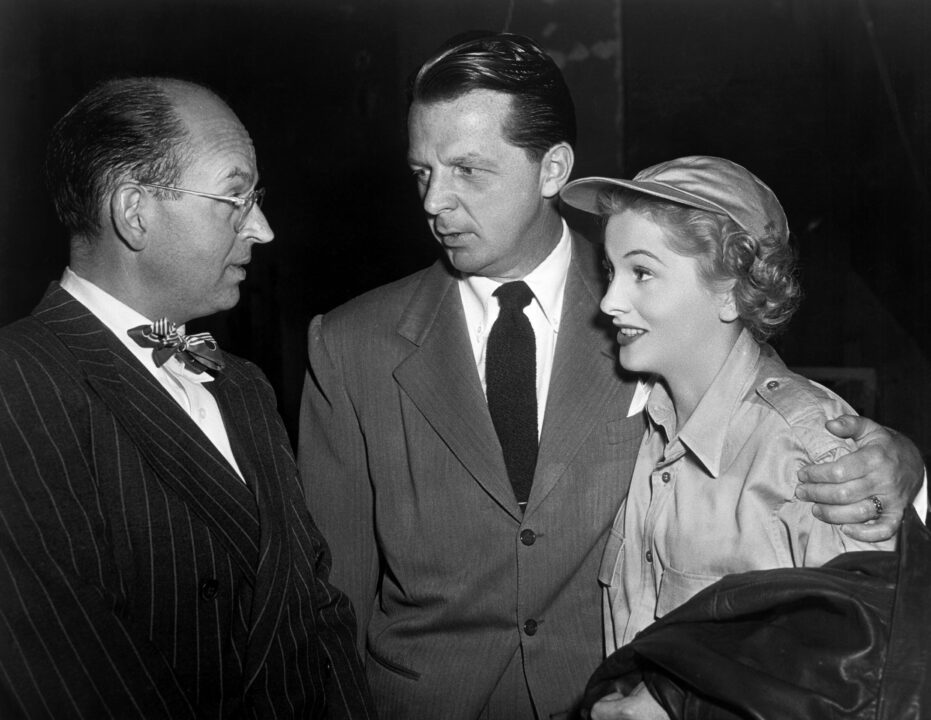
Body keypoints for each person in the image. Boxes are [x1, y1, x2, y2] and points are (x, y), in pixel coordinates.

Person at [298, 32, 922, 719]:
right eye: (422, 172)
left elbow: (764, 404)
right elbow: (332, 603)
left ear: (551, 168)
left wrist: (898, 463)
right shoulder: (350, 345)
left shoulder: (647, 307)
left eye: (468, 170)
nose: (434, 201)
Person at [0, 77, 374, 719]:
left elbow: (315, 612)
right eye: (235, 196)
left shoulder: (244, 385)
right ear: (134, 211)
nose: (263, 228)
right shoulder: (20, 379)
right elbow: (76, 664)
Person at [559, 156, 900, 720]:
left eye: (642, 272)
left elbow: (876, 685)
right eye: (611, 270)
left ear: (731, 292)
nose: (609, 301)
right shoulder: (649, 430)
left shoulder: (813, 455)